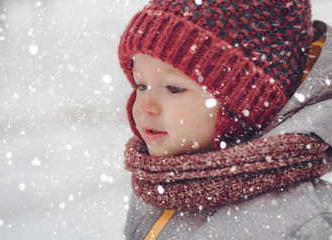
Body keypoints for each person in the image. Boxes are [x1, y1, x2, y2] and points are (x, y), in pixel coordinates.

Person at [118, 0, 332, 239]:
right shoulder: (160, 186)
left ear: (245, 104)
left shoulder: (302, 221)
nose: (145, 106)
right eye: (141, 85)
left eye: (174, 88)